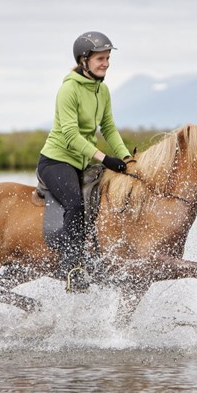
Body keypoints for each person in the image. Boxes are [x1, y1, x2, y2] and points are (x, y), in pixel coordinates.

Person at [37, 31, 132, 288]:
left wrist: (126, 158)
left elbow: (109, 129)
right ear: (83, 60)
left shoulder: (103, 91)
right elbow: (69, 134)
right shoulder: (68, 90)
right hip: (56, 161)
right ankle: (72, 267)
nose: (106, 64)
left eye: (108, 58)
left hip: (82, 162)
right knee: (75, 204)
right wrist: (104, 159)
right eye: (100, 58)